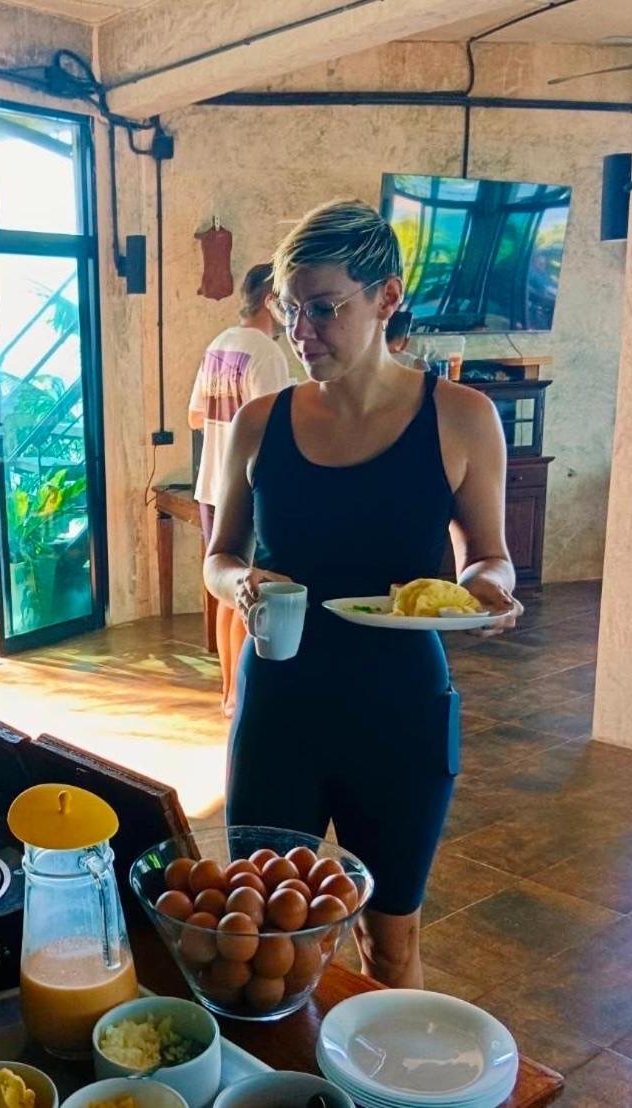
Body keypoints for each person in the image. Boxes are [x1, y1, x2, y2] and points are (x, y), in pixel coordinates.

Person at [204, 200, 522, 989]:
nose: (302, 333)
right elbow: (219, 557)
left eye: (324, 309)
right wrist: (241, 583)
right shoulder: (258, 423)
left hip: (400, 716)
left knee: (393, 944)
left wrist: (484, 593)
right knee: (269, 935)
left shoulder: (462, 419)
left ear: (386, 296)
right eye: (291, 311)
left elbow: (490, 558)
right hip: (280, 710)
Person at [188, 263, 290, 716]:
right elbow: (275, 428)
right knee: (245, 592)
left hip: (209, 481)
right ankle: (237, 695)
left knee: (226, 591)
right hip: (244, 485)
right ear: (271, 299)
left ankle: (229, 690)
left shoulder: (219, 344)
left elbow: (194, 417)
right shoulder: (266, 354)